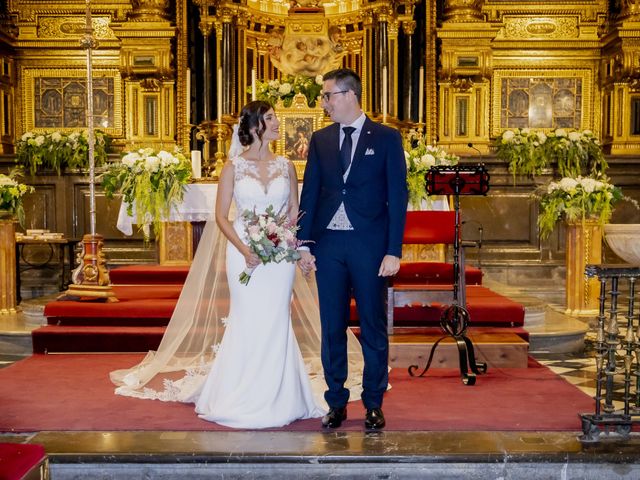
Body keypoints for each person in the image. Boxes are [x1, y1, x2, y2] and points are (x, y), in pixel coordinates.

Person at [110, 101, 365, 429]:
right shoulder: (232, 167)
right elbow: (220, 215)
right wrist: (246, 249)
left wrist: (293, 247)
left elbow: (293, 212)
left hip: (278, 256)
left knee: (276, 317)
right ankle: (240, 389)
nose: (277, 124)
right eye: (271, 118)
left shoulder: (286, 165)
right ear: (257, 125)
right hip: (243, 252)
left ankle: (281, 393)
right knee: (249, 317)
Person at [297, 69, 408, 430]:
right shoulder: (320, 139)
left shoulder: (388, 138)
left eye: (328, 95)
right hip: (328, 246)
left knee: (373, 326)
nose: (324, 103)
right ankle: (336, 402)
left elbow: (397, 196)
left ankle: (374, 403)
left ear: (349, 95)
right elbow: (310, 194)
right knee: (332, 327)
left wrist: (393, 250)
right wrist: (303, 243)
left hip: (370, 247)